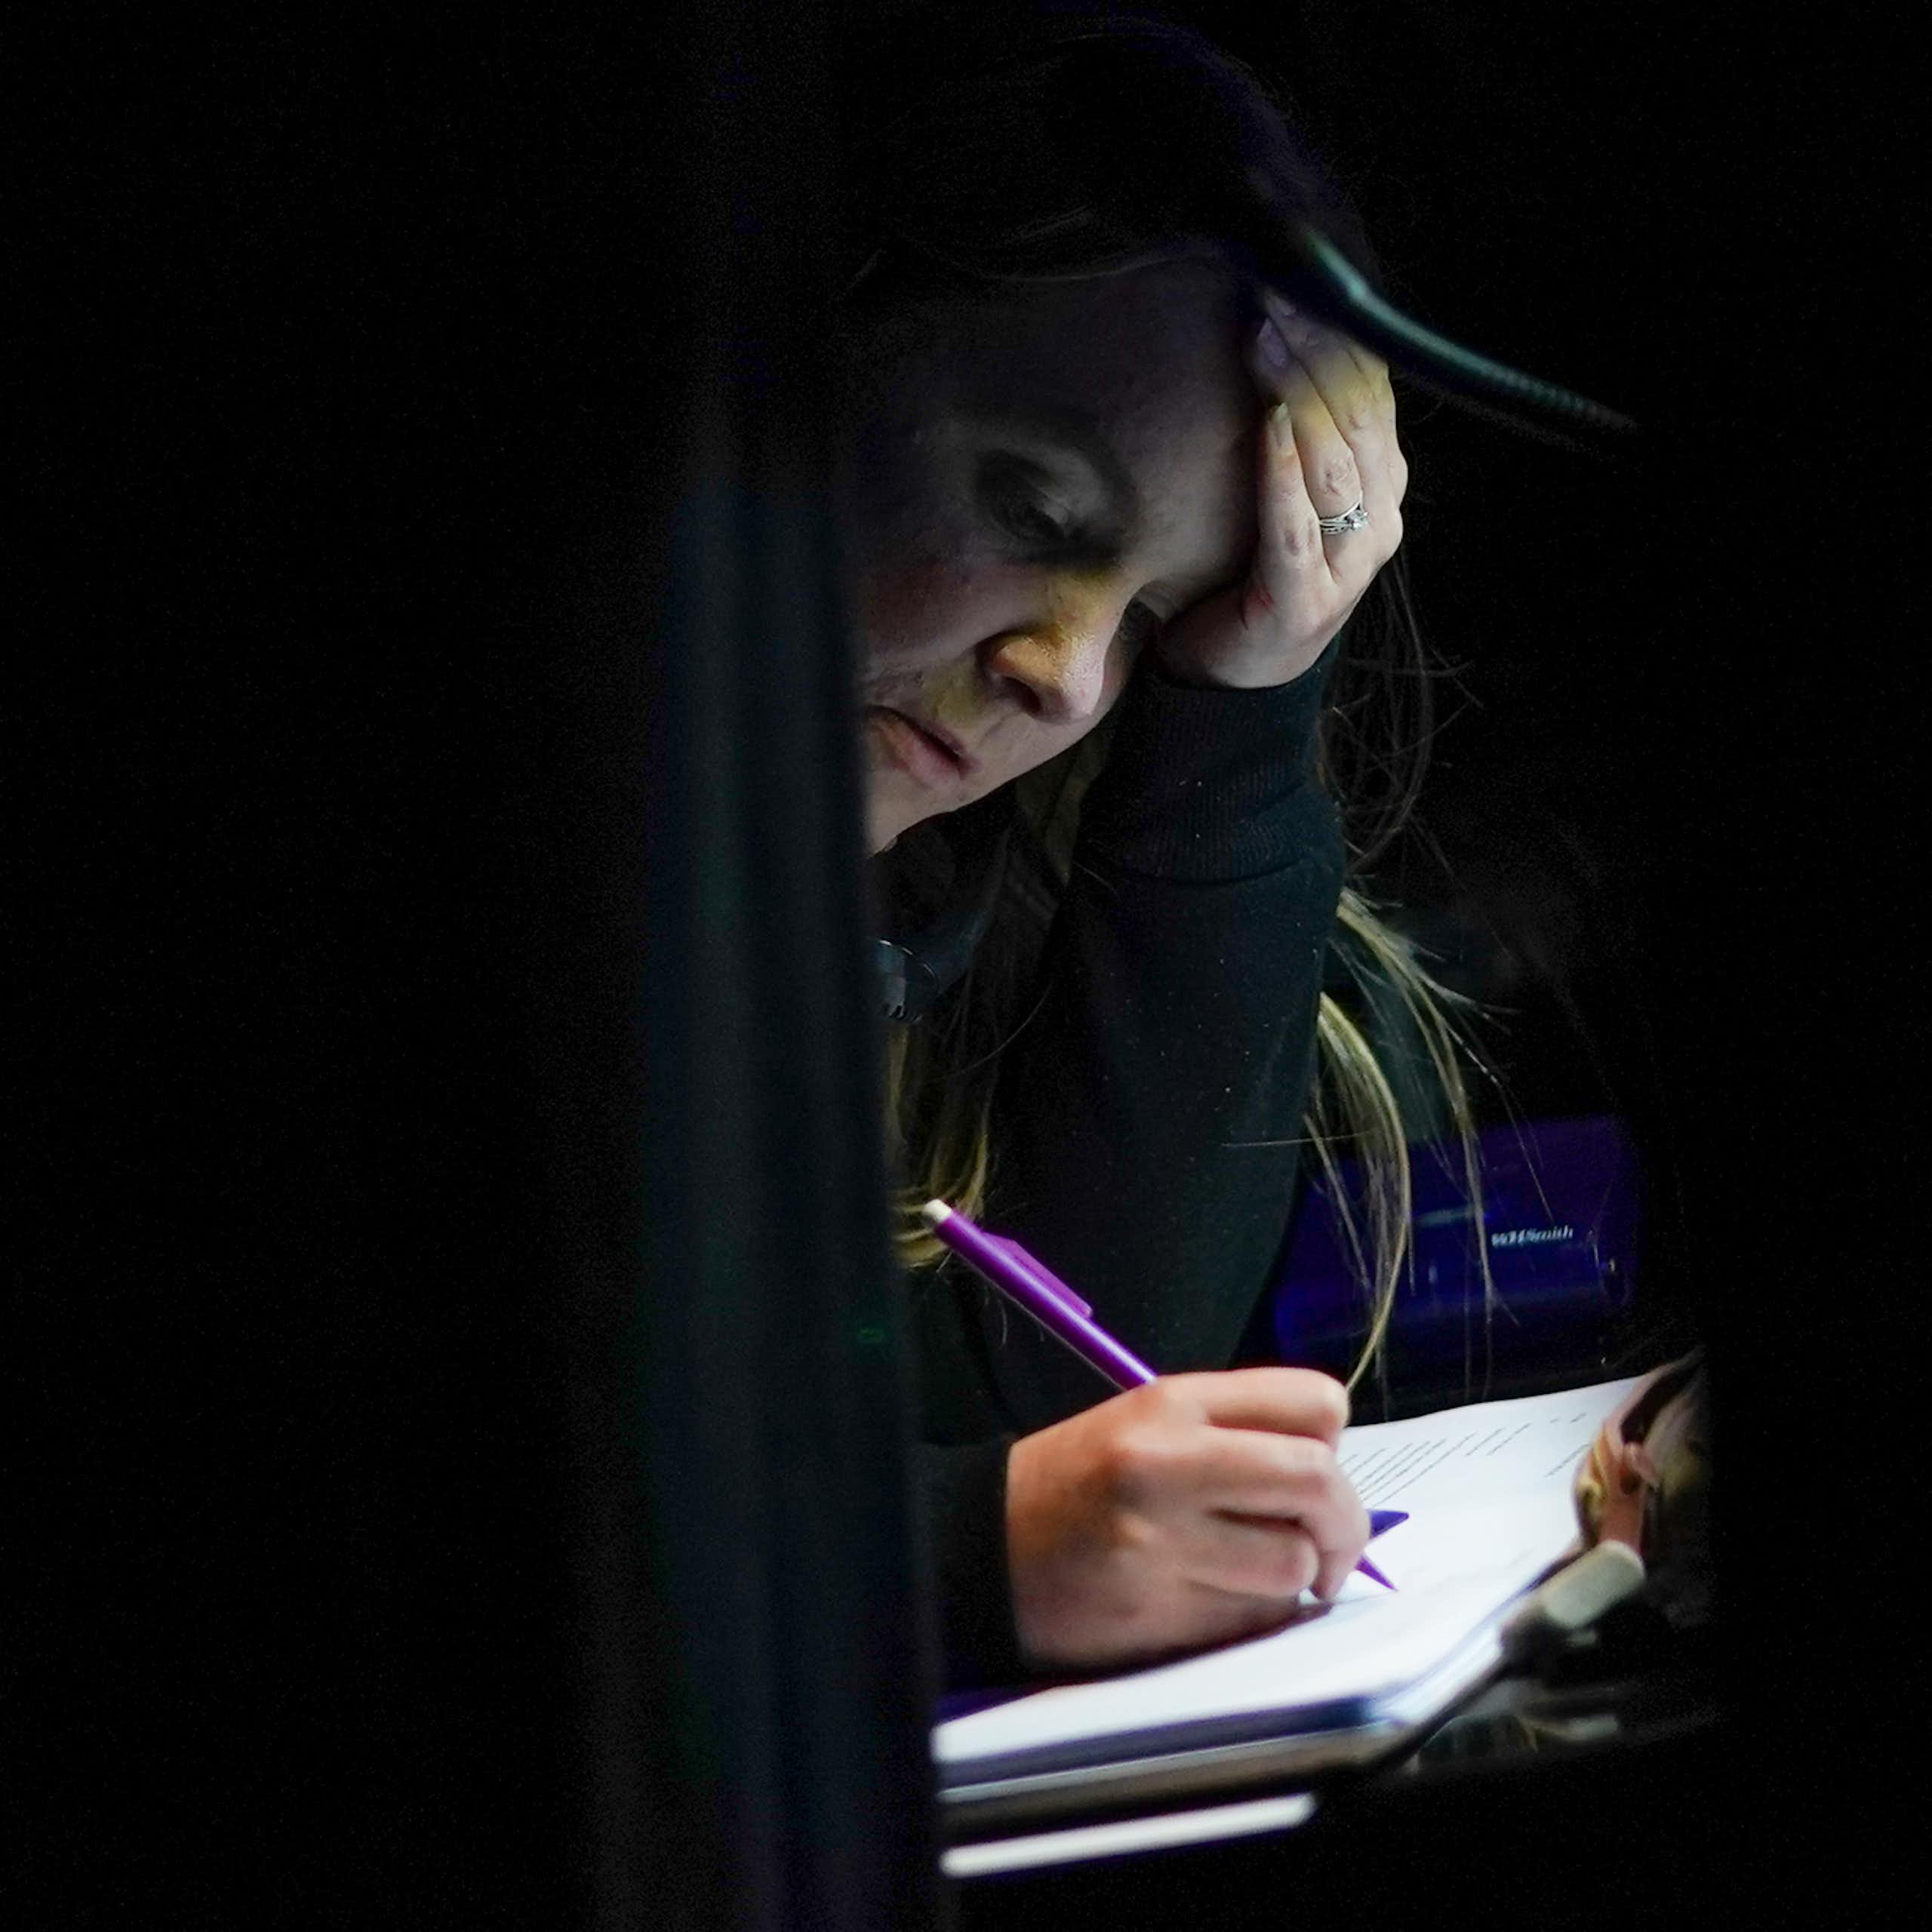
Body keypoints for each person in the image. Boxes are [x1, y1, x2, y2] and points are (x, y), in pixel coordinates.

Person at [824, 7, 1494, 1689]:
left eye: (1147, 618)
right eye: (1037, 513)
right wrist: (950, 1562)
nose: (1064, 675)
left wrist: (1236, 707)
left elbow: (1064, 1404)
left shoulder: (911, 923)